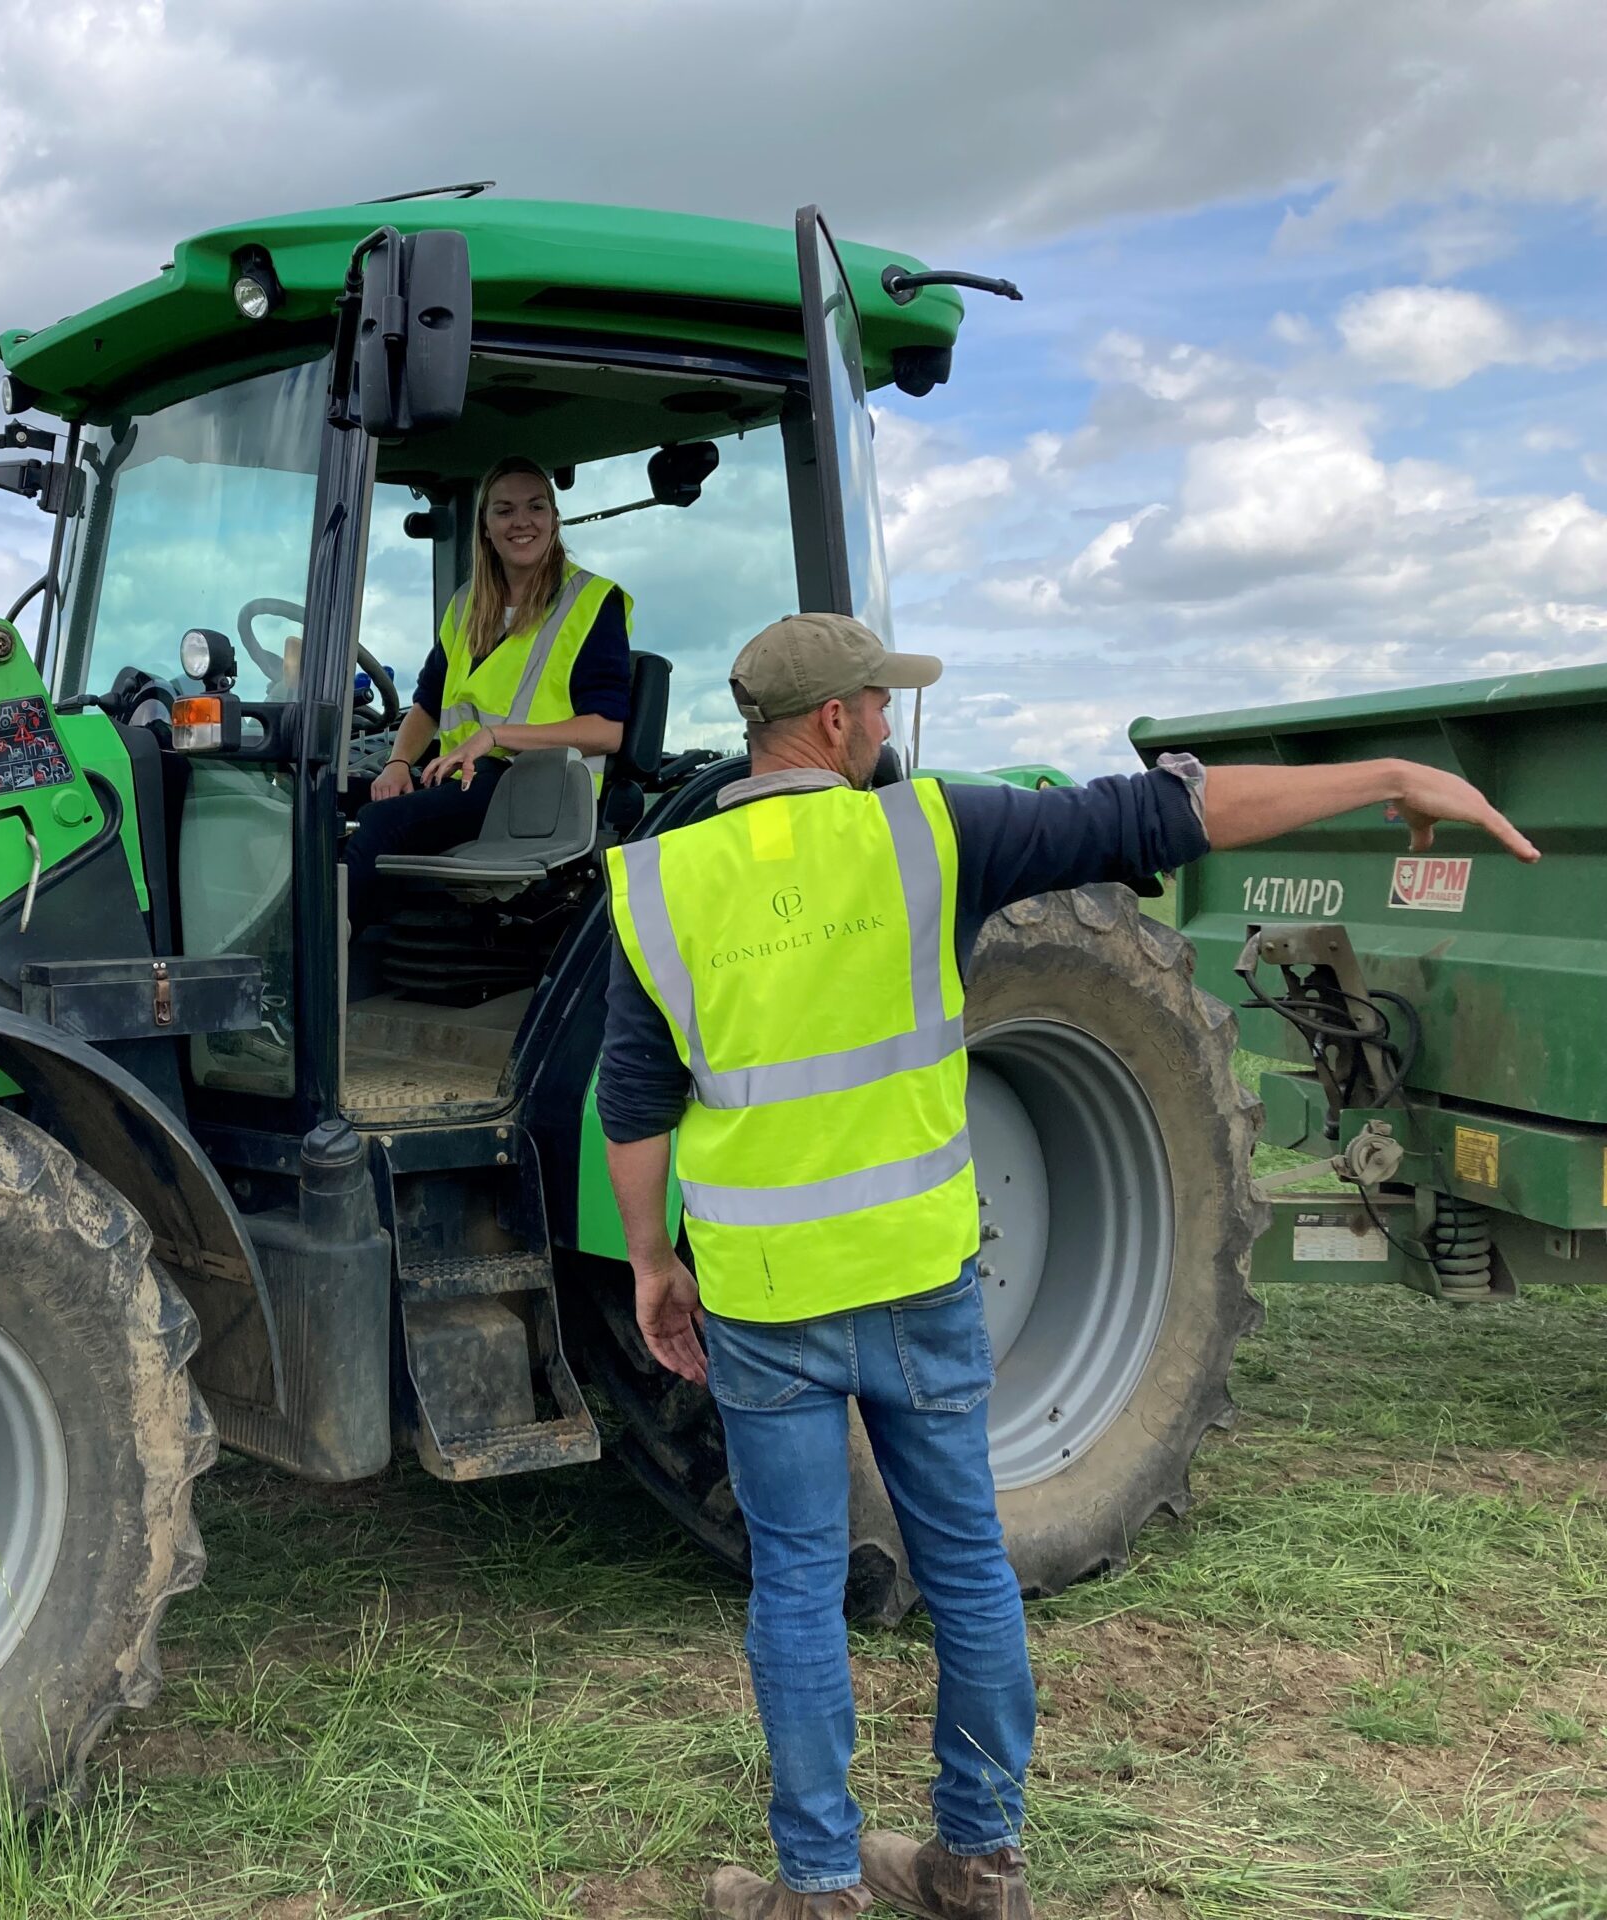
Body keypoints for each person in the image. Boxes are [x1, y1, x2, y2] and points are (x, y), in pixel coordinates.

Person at [597, 612, 1539, 1920]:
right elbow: (1163, 817)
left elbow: (633, 1104)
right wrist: (1385, 780)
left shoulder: (661, 882)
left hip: (767, 1304)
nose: (887, 724)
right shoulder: (933, 835)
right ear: (831, 723)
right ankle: (978, 1865)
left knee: (799, 1587)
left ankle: (816, 1887)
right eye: (877, 705)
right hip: (923, 1285)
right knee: (970, 1565)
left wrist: (654, 1265)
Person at [345, 456, 632, 924]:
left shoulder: (592, 603)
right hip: (461, 781)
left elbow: (606, 732)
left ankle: (330, 973)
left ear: (554, 520)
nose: (522, 522)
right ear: (484, 527)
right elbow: (427, 705)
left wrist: (495, 737)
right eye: (504, 510)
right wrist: (397, 764)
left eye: (536, 508)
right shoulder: (466, 606)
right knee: (330, 802)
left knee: (380, 823)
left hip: (534, 790)